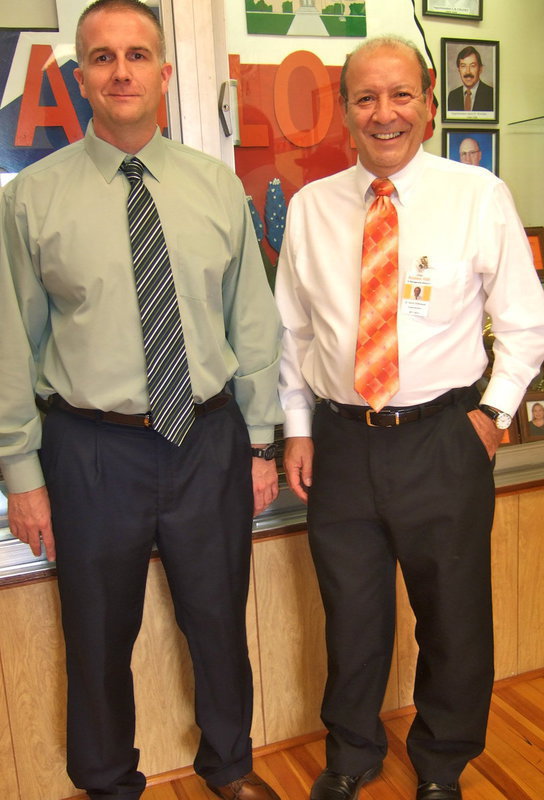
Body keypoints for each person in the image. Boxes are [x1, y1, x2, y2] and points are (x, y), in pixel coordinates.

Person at [0, 2, 283, 799]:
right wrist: (21, 472)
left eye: (136, 55)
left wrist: (260, 443)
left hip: (209, 441)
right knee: (95, 634)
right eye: (101, 57)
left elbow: (252, 326)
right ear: (80, 76)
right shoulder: (31, 201)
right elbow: (9, 346)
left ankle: (230, 768)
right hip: (90, 450)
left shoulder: (214, 188)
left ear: (164, 72)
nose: (120, 70)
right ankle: (108, 782)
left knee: (220, 620)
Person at [275, 35, 544, 800]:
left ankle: (442, 764)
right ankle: (353, 753)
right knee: (352, 616)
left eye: (401, 96)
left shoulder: (478, 196)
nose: (384, 113)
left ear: (430, 108)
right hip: (340, 442)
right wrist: (297, 428)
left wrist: (494, 414)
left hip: (444, 438)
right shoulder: (310, 208)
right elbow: (292, 334)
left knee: (454, 619)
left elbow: (530, 323)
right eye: (365, 98)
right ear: (343, 112)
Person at [447, 46, 494, 112]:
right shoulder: (452, 96)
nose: (468, 71)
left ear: (480, 69)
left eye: (472, 66)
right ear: (459, 70)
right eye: (463, 66)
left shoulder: (491, 95)